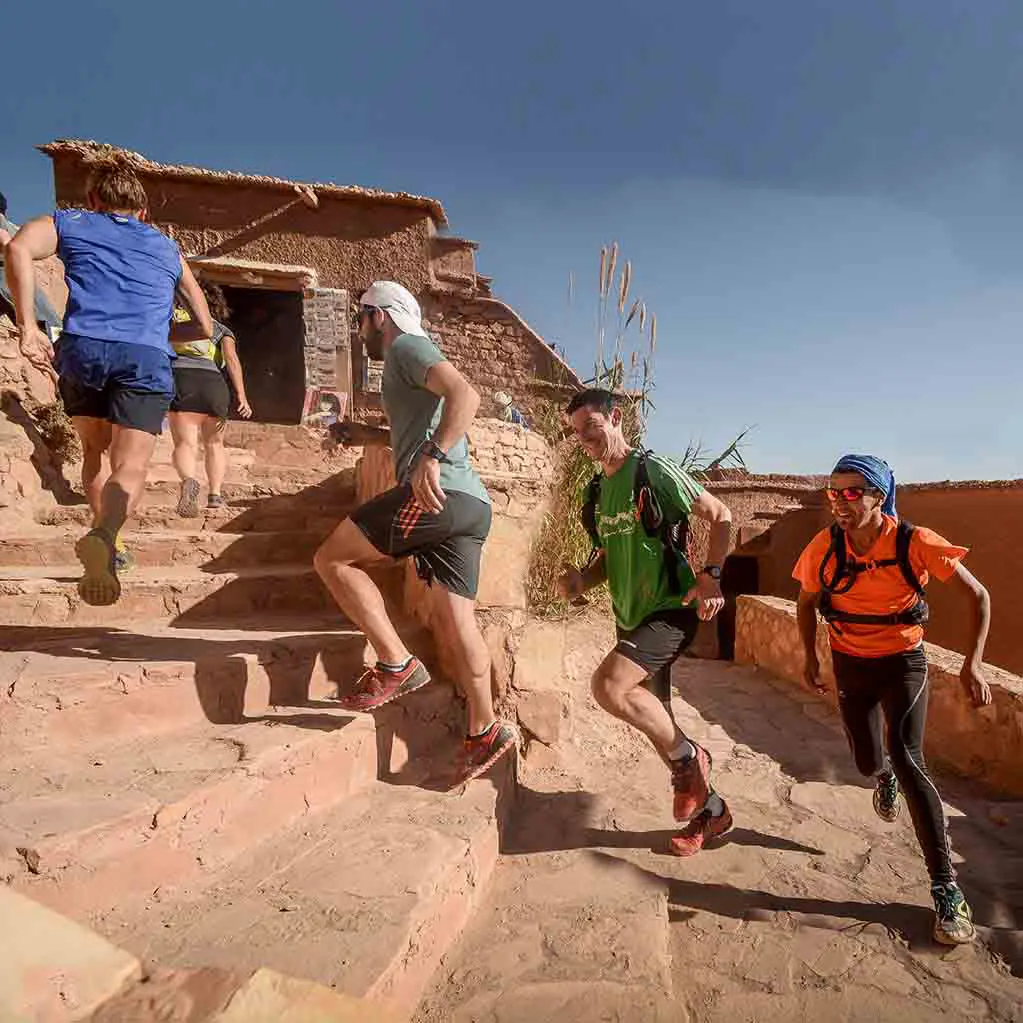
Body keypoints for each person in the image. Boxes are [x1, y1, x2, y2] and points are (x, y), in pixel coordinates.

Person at [314, 281, 517, 783]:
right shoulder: (405, 366)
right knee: (457, 620)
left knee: (333, 559)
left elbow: (464, 395)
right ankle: (484, 728)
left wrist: (432, 456)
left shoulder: (407, 344)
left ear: (379, 316)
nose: (358, 330)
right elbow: (420, 425)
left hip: (436, 494)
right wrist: (368, 435)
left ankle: (394, 662)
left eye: (360, 318)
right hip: (470, 506)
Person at [793, 454, 992, 946]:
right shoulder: (824, 546)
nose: (839, 501)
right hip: (848, 662)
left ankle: (946, 888)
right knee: (867, 758)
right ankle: (880, 778)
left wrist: (974, 663)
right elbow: (804, 602)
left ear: (878, 496)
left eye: (851, 492)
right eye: (832, 492)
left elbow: (980, 596)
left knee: (909, 757)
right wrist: (809, 658)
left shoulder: (914, 542)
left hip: (903, 663)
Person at [4, 156, 212, 604]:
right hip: (143, 356)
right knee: (132, 464)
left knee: (95, 451)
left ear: (94, 200)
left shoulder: (69, 222)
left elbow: (17, 248)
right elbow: (205, 326)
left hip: (82, 349)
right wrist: (159, 330)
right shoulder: (166, 247)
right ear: (143, 211)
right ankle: (106, 534)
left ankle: (108, 541)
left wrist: (28, 327)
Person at [556, 388, 735, 856]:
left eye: (591, 428)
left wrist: (712, 575)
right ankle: (712, 812)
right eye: (576, 434)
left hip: (670, 609)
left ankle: (694, 762)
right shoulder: (595, 490)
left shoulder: (650, 469)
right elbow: (609, 559)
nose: (585, 441)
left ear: (616, 419)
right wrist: (581, 580)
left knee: (609, 688)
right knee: (662, 725)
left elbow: (721, 515)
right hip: (630, 618)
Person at [169, 280, 252, 515]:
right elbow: (232, 361)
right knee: (215, 443)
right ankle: (215, 495)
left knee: (185, 443)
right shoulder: (221, 330)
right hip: (214, 384)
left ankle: (188, 481)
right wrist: (242, 397)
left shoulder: (172, 321)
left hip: (182, 379)